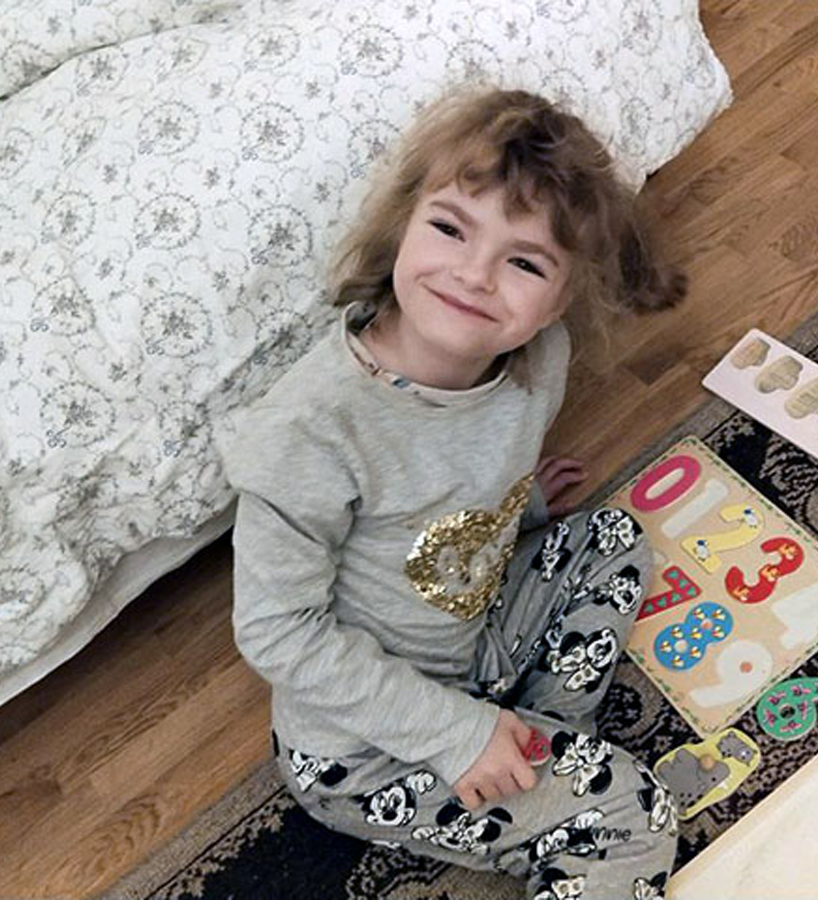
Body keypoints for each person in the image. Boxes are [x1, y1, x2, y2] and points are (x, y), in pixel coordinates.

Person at [217, 88, 685, 899]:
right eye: (450, 228)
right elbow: (277, 633)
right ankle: (526, 764)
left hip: (475, 640)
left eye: (525, 262)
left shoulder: (540, 358)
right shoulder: (306, 434)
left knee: (612, 540)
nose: (474, 274)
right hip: (364, 747)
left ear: (560, 300)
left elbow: (445, 498)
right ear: (403, 223)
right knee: (634, 819)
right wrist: (453, 734)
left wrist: (518, 506)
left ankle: (531, 749)